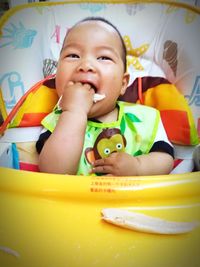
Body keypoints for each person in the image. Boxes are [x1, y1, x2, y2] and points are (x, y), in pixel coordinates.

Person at [36, 17, 174, 176]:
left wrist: (137, 167)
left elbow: (165, 159)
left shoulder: (145, 118)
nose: (86, 65)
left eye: (104, 57)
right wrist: (74, 113)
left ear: (123, 84)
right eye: (73, 55)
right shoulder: (56, 122)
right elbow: (54, 172)